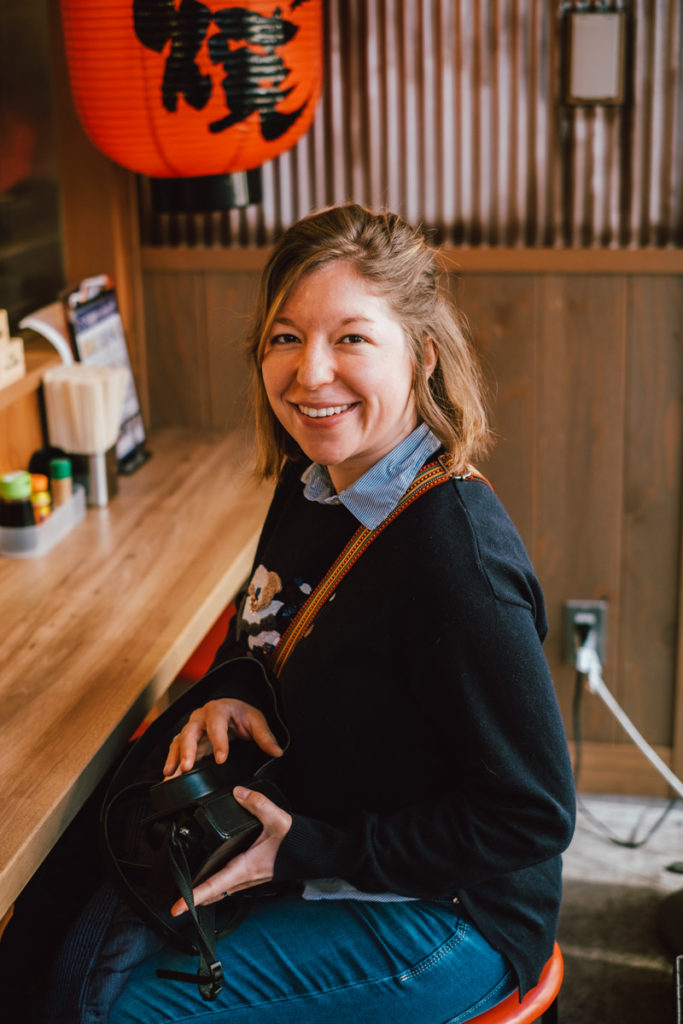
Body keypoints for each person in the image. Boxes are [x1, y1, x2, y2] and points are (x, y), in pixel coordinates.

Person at [54, 202, 576, 1023]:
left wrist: (303, 850)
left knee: (130, 1012)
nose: (310, 374)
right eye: (285, 337)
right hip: (324, 837)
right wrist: (242, 687)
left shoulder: (453, 558)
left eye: (352, 338)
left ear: (422, 355)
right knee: (69, 955)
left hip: (445, 914)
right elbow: (271, 630)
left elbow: (532, 814)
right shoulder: (314, 483)